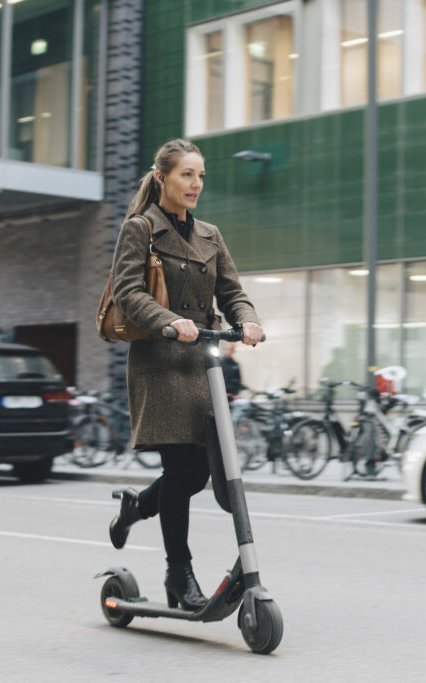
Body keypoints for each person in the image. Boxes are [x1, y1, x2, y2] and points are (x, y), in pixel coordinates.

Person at [106, 138, 264, 611]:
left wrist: (248, 319)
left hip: (203, 365)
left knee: (199, 474)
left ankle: (136, 507)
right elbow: (127, 292)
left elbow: (232, 291)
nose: (195, 184)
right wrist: (168, 321)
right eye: (186, 175)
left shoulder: (210, 235)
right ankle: (180, 574)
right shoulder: (142, 229)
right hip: (160, 362)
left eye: (200, 176)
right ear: (162, 179)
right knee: (184, 470)